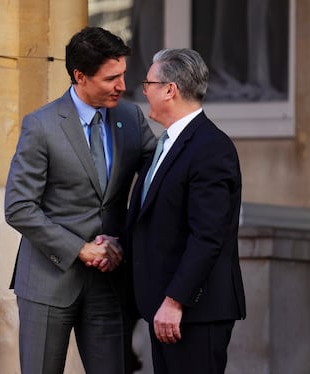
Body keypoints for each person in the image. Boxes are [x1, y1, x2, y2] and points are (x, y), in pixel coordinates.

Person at [4, 26, 156, 374]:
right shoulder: (40, 126)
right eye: (111, 78)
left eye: (123, 75)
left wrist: (125, 238)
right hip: (47, 281)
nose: (122, 86)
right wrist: (81, 249)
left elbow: (158, 178)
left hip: (109, 282)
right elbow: (18, 207)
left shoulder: (131, 119)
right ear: (80, 76)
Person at [126, 48, 246, 374]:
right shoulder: (166, 144)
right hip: (166, 310)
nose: (143, 90)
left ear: (170, 90)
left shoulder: (210, 147)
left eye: (148, 82)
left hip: (193, 312)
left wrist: (175, 300)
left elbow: (208, 235)